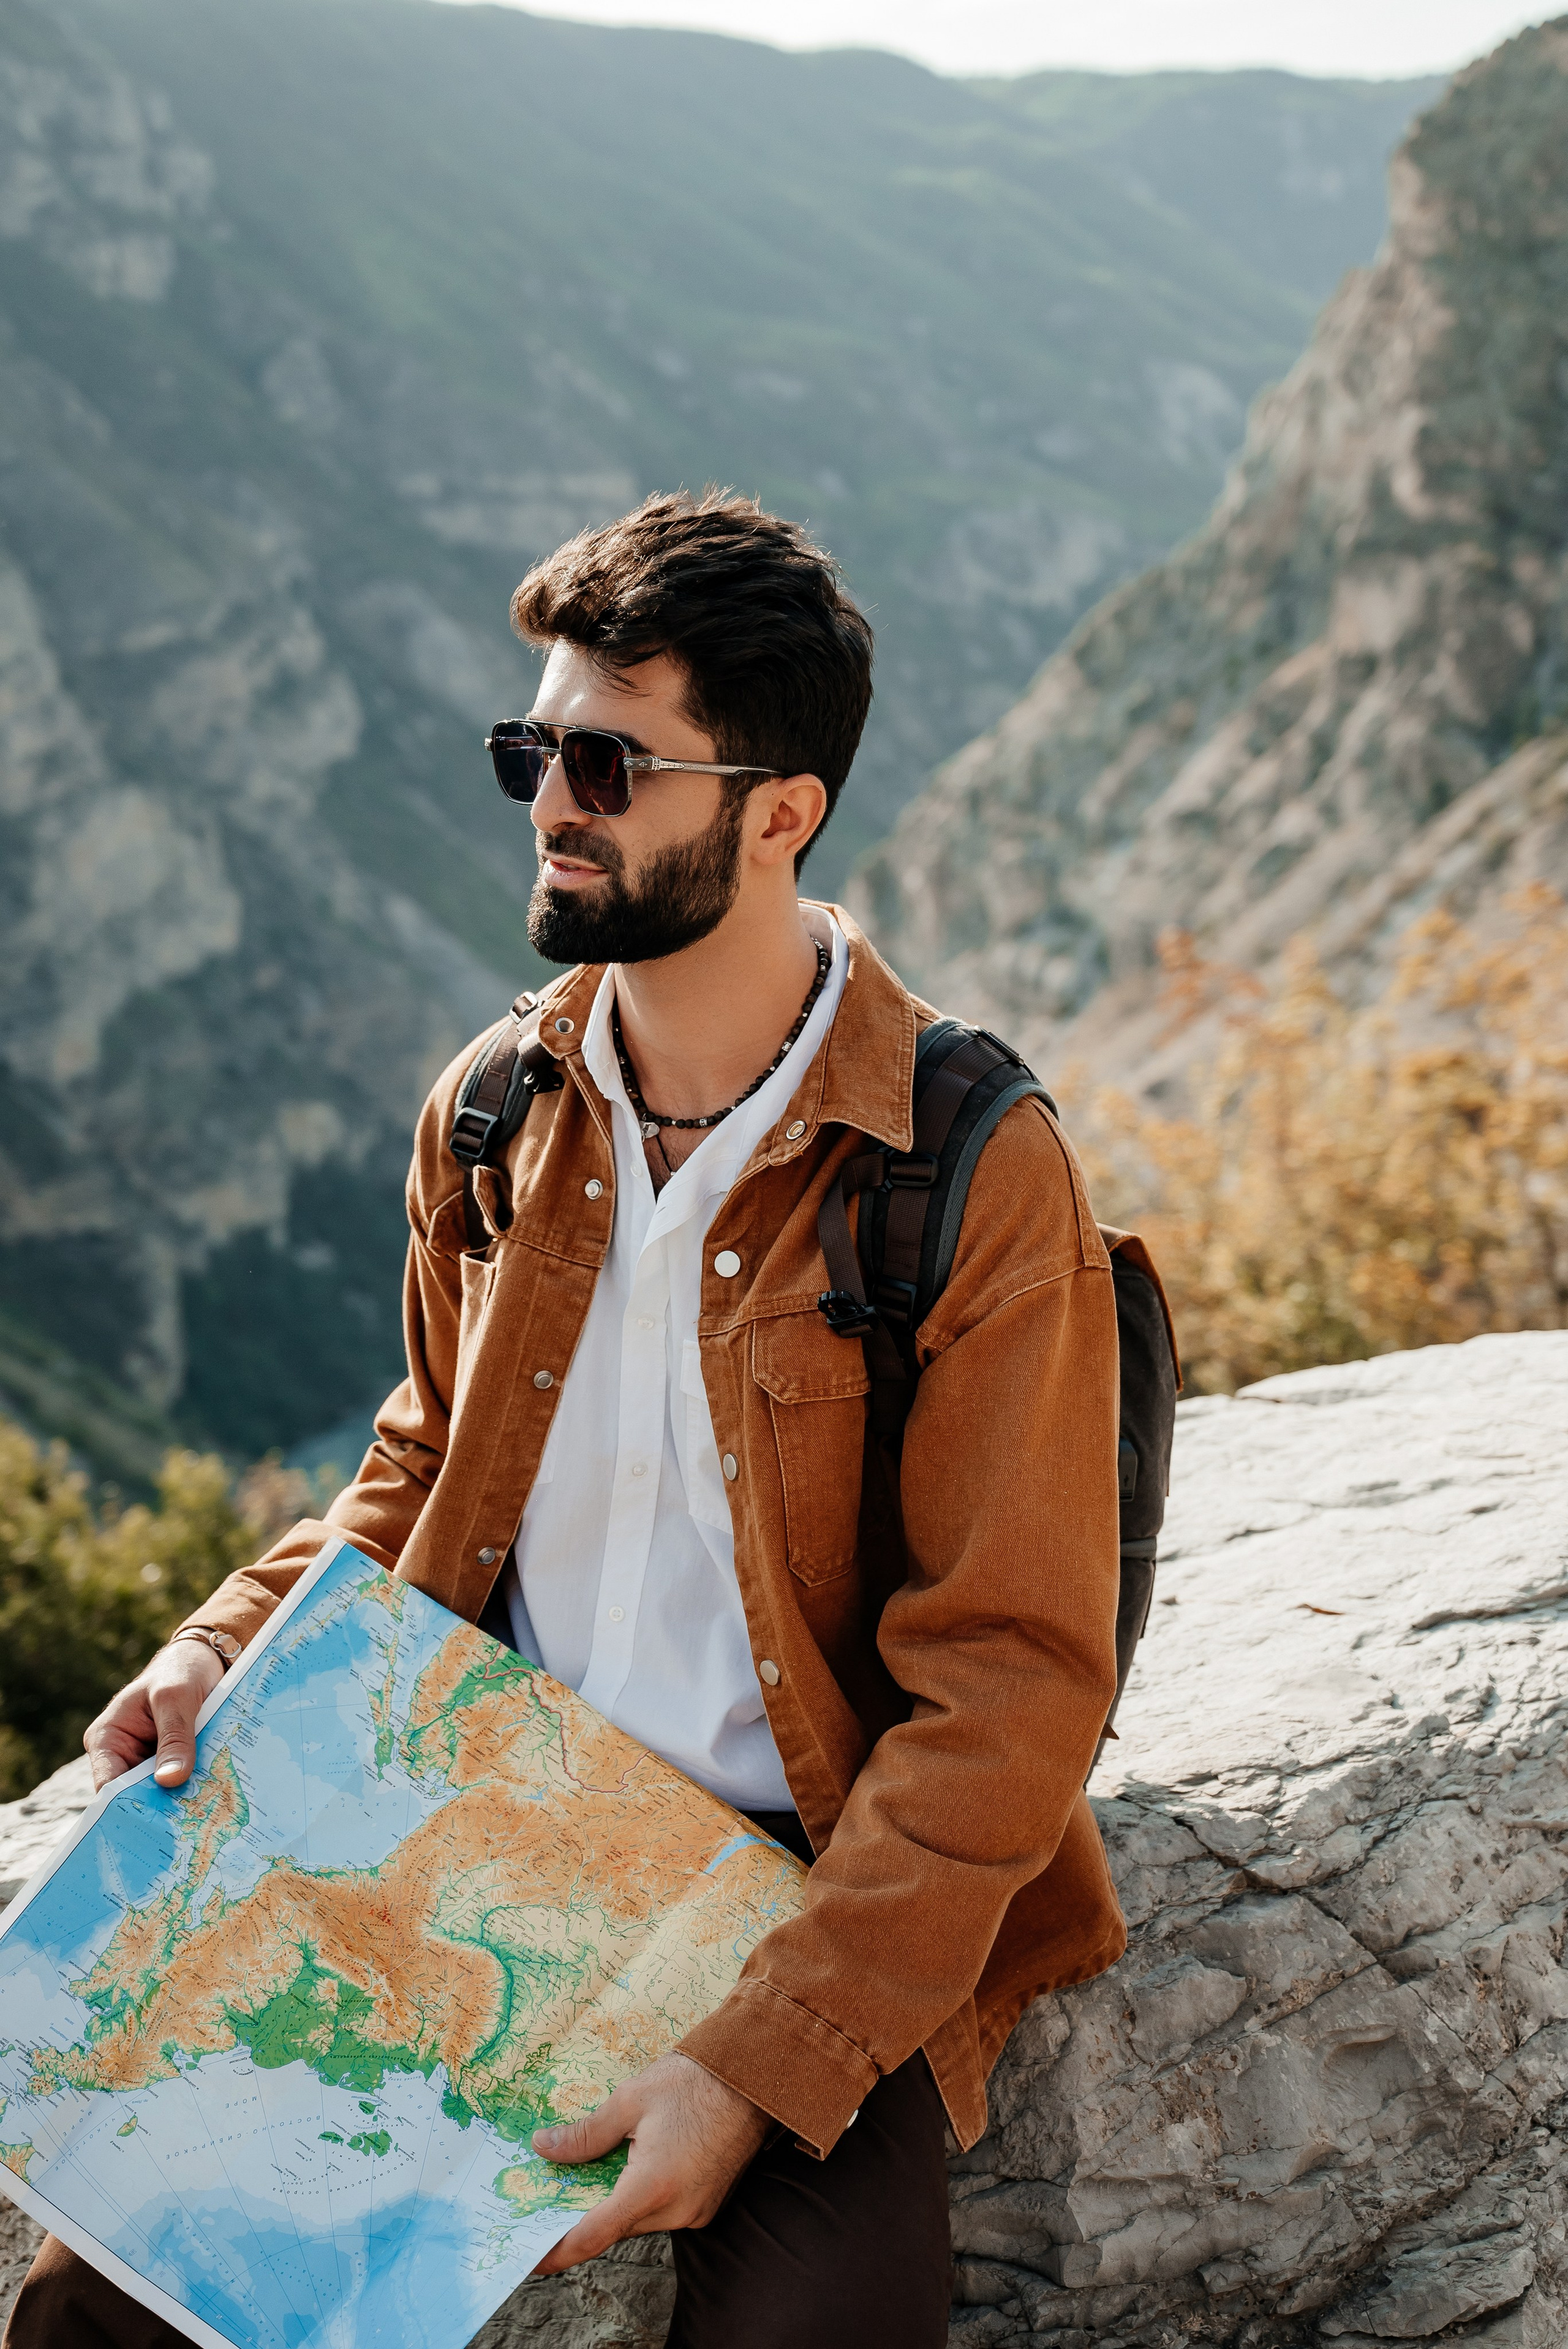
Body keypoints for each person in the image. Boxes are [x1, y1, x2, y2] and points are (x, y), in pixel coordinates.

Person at [6, 490, 1126, 2349]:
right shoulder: (492, 1111)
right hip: (472, 1830)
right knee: (95, 2318)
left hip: (795, 1887)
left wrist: (764, 2061)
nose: (551, 803)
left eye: (611, 762)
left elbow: (1012, 1680)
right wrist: (233, 1638)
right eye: (538, 748)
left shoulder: (966, 1173)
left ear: (781, 814)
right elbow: (425, 1460)